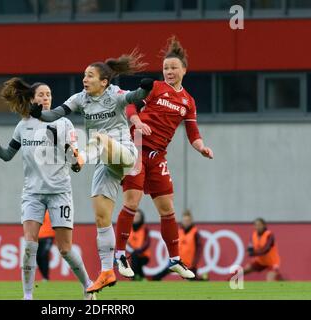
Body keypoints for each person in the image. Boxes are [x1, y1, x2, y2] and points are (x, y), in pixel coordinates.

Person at [29, 49, 154, 293]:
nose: (84, 79)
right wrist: (40, 115)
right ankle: (107, 271)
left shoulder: (114, 94)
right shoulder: (80, 98)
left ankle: (80, 159)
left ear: (104, 81)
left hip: (125, 152)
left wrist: (145, 89)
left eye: (89, 76)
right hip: (104, 161)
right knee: (101, 216)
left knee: (98, 137)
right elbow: (56, 113)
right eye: (84, 75)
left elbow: (135, 96)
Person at [0, 79, 95, 300]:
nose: (46, 97)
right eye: (41, 94)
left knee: (65, 249)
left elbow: (77, 163)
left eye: (49, 94)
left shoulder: (63, 124)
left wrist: (71, 156)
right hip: (32, 193)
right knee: (29, 245)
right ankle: (27, 296)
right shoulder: (23, 125)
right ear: (32, 99)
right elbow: (8, 156)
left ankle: (88, 286)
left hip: (59, 191)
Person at [114, 36, 214, 280]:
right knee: (132, 202)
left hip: (158, 155)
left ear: (184, 71)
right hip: (136, 147)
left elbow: (193, 133)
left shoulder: (188, 101)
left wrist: (201, 147)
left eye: (173, 68)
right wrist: (136, 120)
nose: (169, 72)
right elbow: (131, 106)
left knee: (167, 208)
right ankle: (119, 254)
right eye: (166, 68)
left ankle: (175, 259)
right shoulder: (156, 88)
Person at [152, 209, 205, 281]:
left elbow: (199, 249)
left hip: (190, 264)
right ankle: (153, 279)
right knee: (159, 275)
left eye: (188, 220)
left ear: (191, 221)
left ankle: (204, 279)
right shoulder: (179, 231)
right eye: (185, 220)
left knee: (194, 280)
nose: (186, 222)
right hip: (178, 261)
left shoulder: (195, 233)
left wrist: (195, 262)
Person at [126, 209, 150, 281]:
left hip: (144, 255)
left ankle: (134, 276)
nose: (136, 218)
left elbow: (147, 242)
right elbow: (126, 243)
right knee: (134, 257)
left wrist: (139, 250)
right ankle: (140, 277)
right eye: (135, 216)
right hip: (133, 254)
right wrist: (132, 250)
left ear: (141, 218)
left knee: (136, 258)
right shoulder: (129, 228)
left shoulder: (145, 228)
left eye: (138, 216)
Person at [37, 211, 55, 281]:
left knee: (44, 255)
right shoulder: (40, 210)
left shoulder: (52, 210)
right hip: (39, 237)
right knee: (38, 257)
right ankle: (44, 276)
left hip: (49, 236)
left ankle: (46, 277)